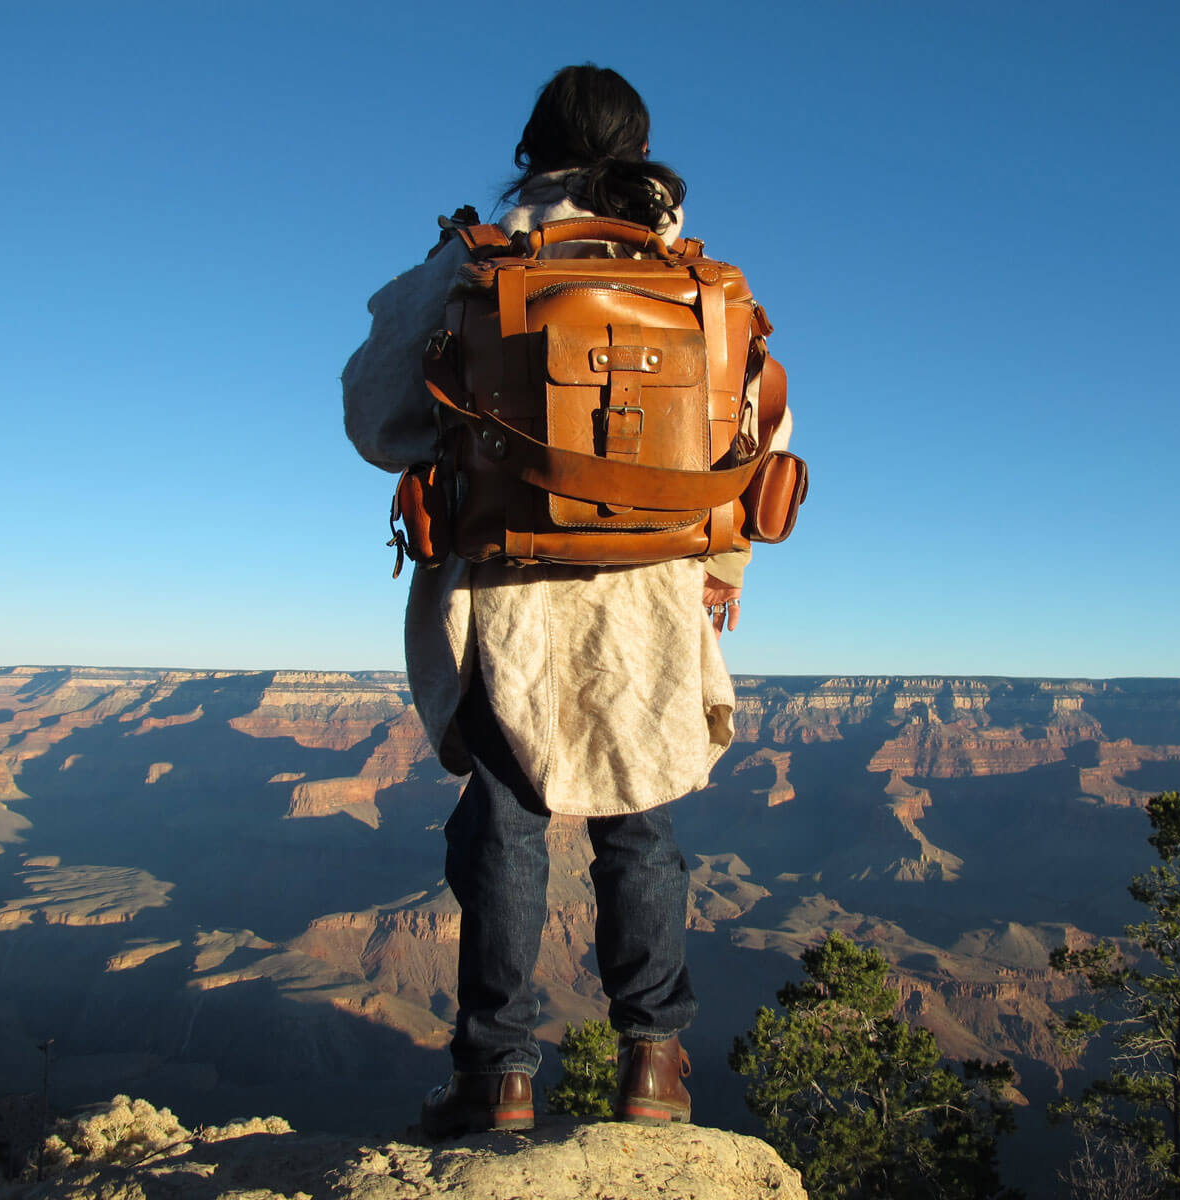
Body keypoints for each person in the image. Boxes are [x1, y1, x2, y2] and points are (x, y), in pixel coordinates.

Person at [342, 64, 778, 1137]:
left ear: (530, 150)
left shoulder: (476, 260)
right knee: (640, 814)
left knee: (504, 822)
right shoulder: (691, 276)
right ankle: (655, 1064)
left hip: (508, 590)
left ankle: (497, 1076)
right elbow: (755, 431)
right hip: (649, 593)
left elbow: (373, 417)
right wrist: (722, 566)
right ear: (642, 153)